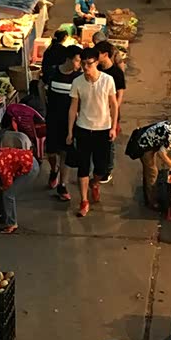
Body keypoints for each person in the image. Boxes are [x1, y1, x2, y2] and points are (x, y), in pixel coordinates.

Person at [67, 47, 118, 217]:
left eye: (89, 64)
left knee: (101, 167)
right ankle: (83, 200)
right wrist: (70, 131)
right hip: (83, 128)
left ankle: (94, 183)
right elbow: (73, 108)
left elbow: (113, 105)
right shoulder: (77, 82)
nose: (85, 67)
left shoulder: (108, 80)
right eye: (83, 64)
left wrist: (113, 127)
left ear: (96, 62)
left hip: (103, 129)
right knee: (83, 166)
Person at [46, 44, 83, 201]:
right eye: (77, 60)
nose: (79, 64)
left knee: (65, 152)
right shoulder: (52, 72)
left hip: (69, 120)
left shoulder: (78, 78)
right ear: (68, 59)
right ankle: (53, 170)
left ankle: (62, 185)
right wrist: (45, 106)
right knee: (51, 152)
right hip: (52, 118)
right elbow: (41, 85)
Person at [96, 40, 126, 181]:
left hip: (110, 113)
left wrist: (113, 110)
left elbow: (120, 95)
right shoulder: (97, 70)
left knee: (109, 141)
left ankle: (108, 169)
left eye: (98, 54)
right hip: (97, 111)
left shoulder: (116, 73)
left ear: (105, 55)